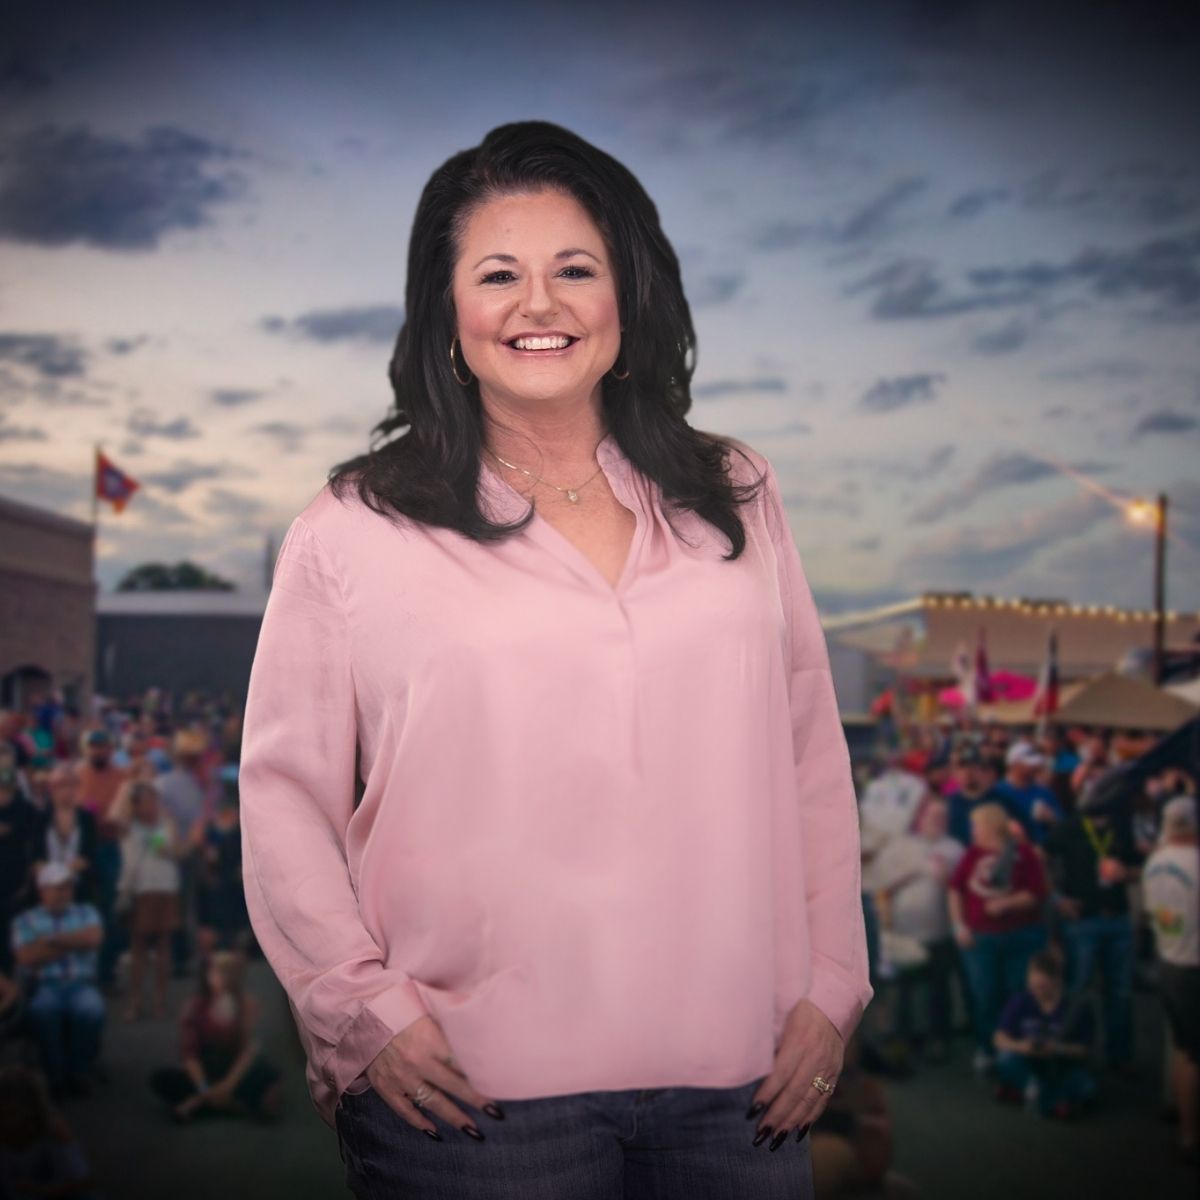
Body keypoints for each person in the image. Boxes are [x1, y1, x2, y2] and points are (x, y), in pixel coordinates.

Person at [238, 119, 872, 1199]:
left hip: (742, 1083)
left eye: (575, 269)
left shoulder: (739, 492)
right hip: (473, 1094)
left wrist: (832, 981)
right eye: (498, 275)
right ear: (448, 314)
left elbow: (809, 749)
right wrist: (361, 1014)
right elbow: (284, 794)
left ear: (629, 299)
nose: (539, 304)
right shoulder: (350, 527)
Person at [1043, 778, 1141, 1076]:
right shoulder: (1070, 827)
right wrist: (1057, 899)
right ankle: (1072, 1051)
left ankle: (1119, 1055)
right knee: (1079, 988)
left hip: (1118, 918)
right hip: (1082, 919)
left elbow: (1139, 867)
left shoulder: (1122, 826)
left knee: (1120, 992)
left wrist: (1126, 873)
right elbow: (1040, 858)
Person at [948, 803, 1049, 1072]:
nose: (972, 831)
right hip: (981, 939)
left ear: (990, 826)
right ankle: (987, 1047)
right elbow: (955, 890)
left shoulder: (1023, 853)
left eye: (976, 825)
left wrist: (1009, 904)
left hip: (1020, 936)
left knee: (1016, 994)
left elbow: (1038, 892)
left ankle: (1014, 1053)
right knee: (985, 995)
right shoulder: (972, 855)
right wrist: (959, 926)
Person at [871, 797, 964, 1062]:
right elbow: (881, 885)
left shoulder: (954, 849)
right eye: (933, 815)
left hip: (940, 933)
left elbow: (962, 892)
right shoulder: (902, 847)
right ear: (920, 817)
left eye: (942, 816)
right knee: (903, 991)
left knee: (939, 990)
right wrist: (913, 871)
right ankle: (903, 1041)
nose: (938, 821)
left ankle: (939, 1041)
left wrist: (946, 878)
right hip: (904, 934)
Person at [148, 949, 283, 1124]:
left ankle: (199, 1104)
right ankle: (232, 1105)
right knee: (161, 1079)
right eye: (213, 972)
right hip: (206, 1069)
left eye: (223, 973)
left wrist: (227, 1086)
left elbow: (247, 1052)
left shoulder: (246, 1004)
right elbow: (190, 1055)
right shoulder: (195, 1006)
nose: (216, 977)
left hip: (235, 1070)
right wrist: (204, 1088)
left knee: (268, 1074)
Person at [9, 864, 105, 1099]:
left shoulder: (86, 912)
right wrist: (73, 943)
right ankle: (55, 1076)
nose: (65, 892)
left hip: (80, 983)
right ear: (43, 890)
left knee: (91, 1010)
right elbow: (26, 957)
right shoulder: (25, 919)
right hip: (44, 985)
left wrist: (49, 941)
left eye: (69, 886)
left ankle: (80, 1070)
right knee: (42, 1011)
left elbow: (93, 939)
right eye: (59, 887)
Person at [1142, 795, 1199, 1164]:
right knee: (1193, 1054)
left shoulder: (1155, 862)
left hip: (1168, 959)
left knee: (1182, 1050)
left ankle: (1187, 1131)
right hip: (1194, 965)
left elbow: (1150, 911)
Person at [992, 950, 1097, 1120]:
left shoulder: (1077, 1007)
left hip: (1060, 1065)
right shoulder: (1020, 1000)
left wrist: (1056, 1049)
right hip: (1028, 1061)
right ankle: (1052, 1099)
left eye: (1042, 987)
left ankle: (1031, 1093)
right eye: (1032, 985)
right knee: (1005, 1059)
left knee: (1086, 1086)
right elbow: (998, 1038)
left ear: (1057, 981)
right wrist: (1021, 1046)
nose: (1035, 992)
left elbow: (1085, 1050)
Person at [115, 781, 185, 1020]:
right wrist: (129, 787)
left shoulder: (167, 823)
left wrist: (168, 850)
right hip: (139, 890)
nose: (152, 805)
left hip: (165, 887)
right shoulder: (129, 826)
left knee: (164, 946)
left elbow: (179, 852)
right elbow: (115, 815)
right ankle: (135, 1001)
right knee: (139, 947)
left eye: (154, 800)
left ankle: (160, 1001)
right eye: (146, 801)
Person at [74, 729, 129, 994]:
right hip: (82, 849)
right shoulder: (77, 775)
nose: (97, 751)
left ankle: (106, 973)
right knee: (82, 909)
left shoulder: (121, 776)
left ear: (110, 749)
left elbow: (122, 813)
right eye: (93, 747)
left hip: (110, 848)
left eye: (102, 746)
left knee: (109, 910)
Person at [0, 1064, 100, 1199]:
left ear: (31, 1109)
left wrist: (39, 1190)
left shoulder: (52, 1129)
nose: (5, 1119)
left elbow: (83, 1182)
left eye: (12, 1112)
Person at [33, 764, 100, 909]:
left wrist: (65, 874)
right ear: (51, 788)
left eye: (72, 785)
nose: (67, 790)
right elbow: (35, 856)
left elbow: (89, 854)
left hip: (80, 888)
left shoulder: (86, 819)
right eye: (61, 785)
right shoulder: (39, 819)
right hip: (46, 890)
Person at [0, 765, 43, 979]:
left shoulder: (26, 810)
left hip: (17, 887)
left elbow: (35, 846)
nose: (2, 793)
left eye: (5, 788)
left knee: (15, 937)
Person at [991, 740, 1062, 847]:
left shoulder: (1044, 792)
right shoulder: (997, 792)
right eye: (1029, 764)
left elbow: (1063, 824)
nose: (1035, 767)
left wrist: (1052, 818)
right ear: (1014, 764)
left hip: (1043, 852)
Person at [945, 744, 1004, 848]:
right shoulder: (949, 803)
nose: (968, 772)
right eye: (962, 767)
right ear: (954, 772)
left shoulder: (998, 800)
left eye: (973, 766)